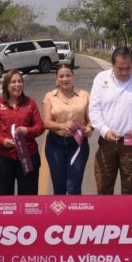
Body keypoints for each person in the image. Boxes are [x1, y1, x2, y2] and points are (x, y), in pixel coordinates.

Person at [88, 47, 132, 195]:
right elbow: (94, 111)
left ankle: (128, 212)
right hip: (107, 141)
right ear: (112, 65)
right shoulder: (101, 79)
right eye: (120, 69)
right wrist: (105, 131)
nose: (124, 73)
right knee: (103, 185)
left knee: (129, 188)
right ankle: (106, 211)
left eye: (128, 68)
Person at [0, 70, 44, 195]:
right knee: (3, 198)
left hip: (28, 155)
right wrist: (3, 141)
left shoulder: (30, 103)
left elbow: (40, 126)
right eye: (13, 82)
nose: (17, 85)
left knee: (28, 197)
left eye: (20, 81)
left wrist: (27, 130)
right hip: (3, 156)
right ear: (6, 85)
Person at [41, 63, 93, 195]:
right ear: (56, 79)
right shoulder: (49, 96)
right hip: (55, 145)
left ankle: (75, 209)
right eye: (61, 76)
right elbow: (46, 122)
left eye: (68, 75)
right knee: (59, 188)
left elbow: (91, 119)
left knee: (74, 187)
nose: (65, 79)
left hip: (78, 145)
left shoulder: (84, 95)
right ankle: (60, 209)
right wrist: (62, 125)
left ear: (73, 77)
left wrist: (89, 128)